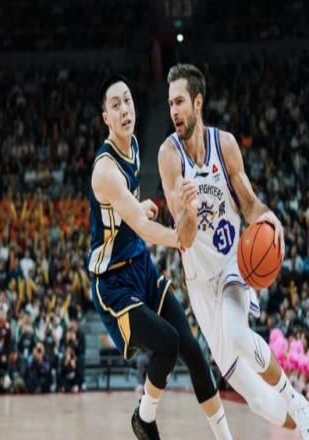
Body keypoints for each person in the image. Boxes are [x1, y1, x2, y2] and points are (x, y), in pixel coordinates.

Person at [158, 63, 309, 440]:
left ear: (198, 102)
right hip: (199, 285)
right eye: (170, 103)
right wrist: (188, 211)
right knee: (257, 400)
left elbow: (250, 204)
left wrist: (269, 217)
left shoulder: (225, 145)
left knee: (239, 334)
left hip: (232, 265)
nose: (173, 110)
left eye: (180, 102)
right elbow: (182, 237)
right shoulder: (169, 155)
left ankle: (300, 407)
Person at [89, 74, 233, 440]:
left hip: (141, 266)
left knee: (193, 350)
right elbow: (139, 226)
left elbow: (124, 212)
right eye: (116, 105)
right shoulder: (105, 170)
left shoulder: (134, 145)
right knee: (167, 343)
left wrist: (138, 206)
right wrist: (180, 239)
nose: (125, 109)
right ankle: (145, 418)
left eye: (128, 100)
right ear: (106, 118)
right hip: (114, 285)